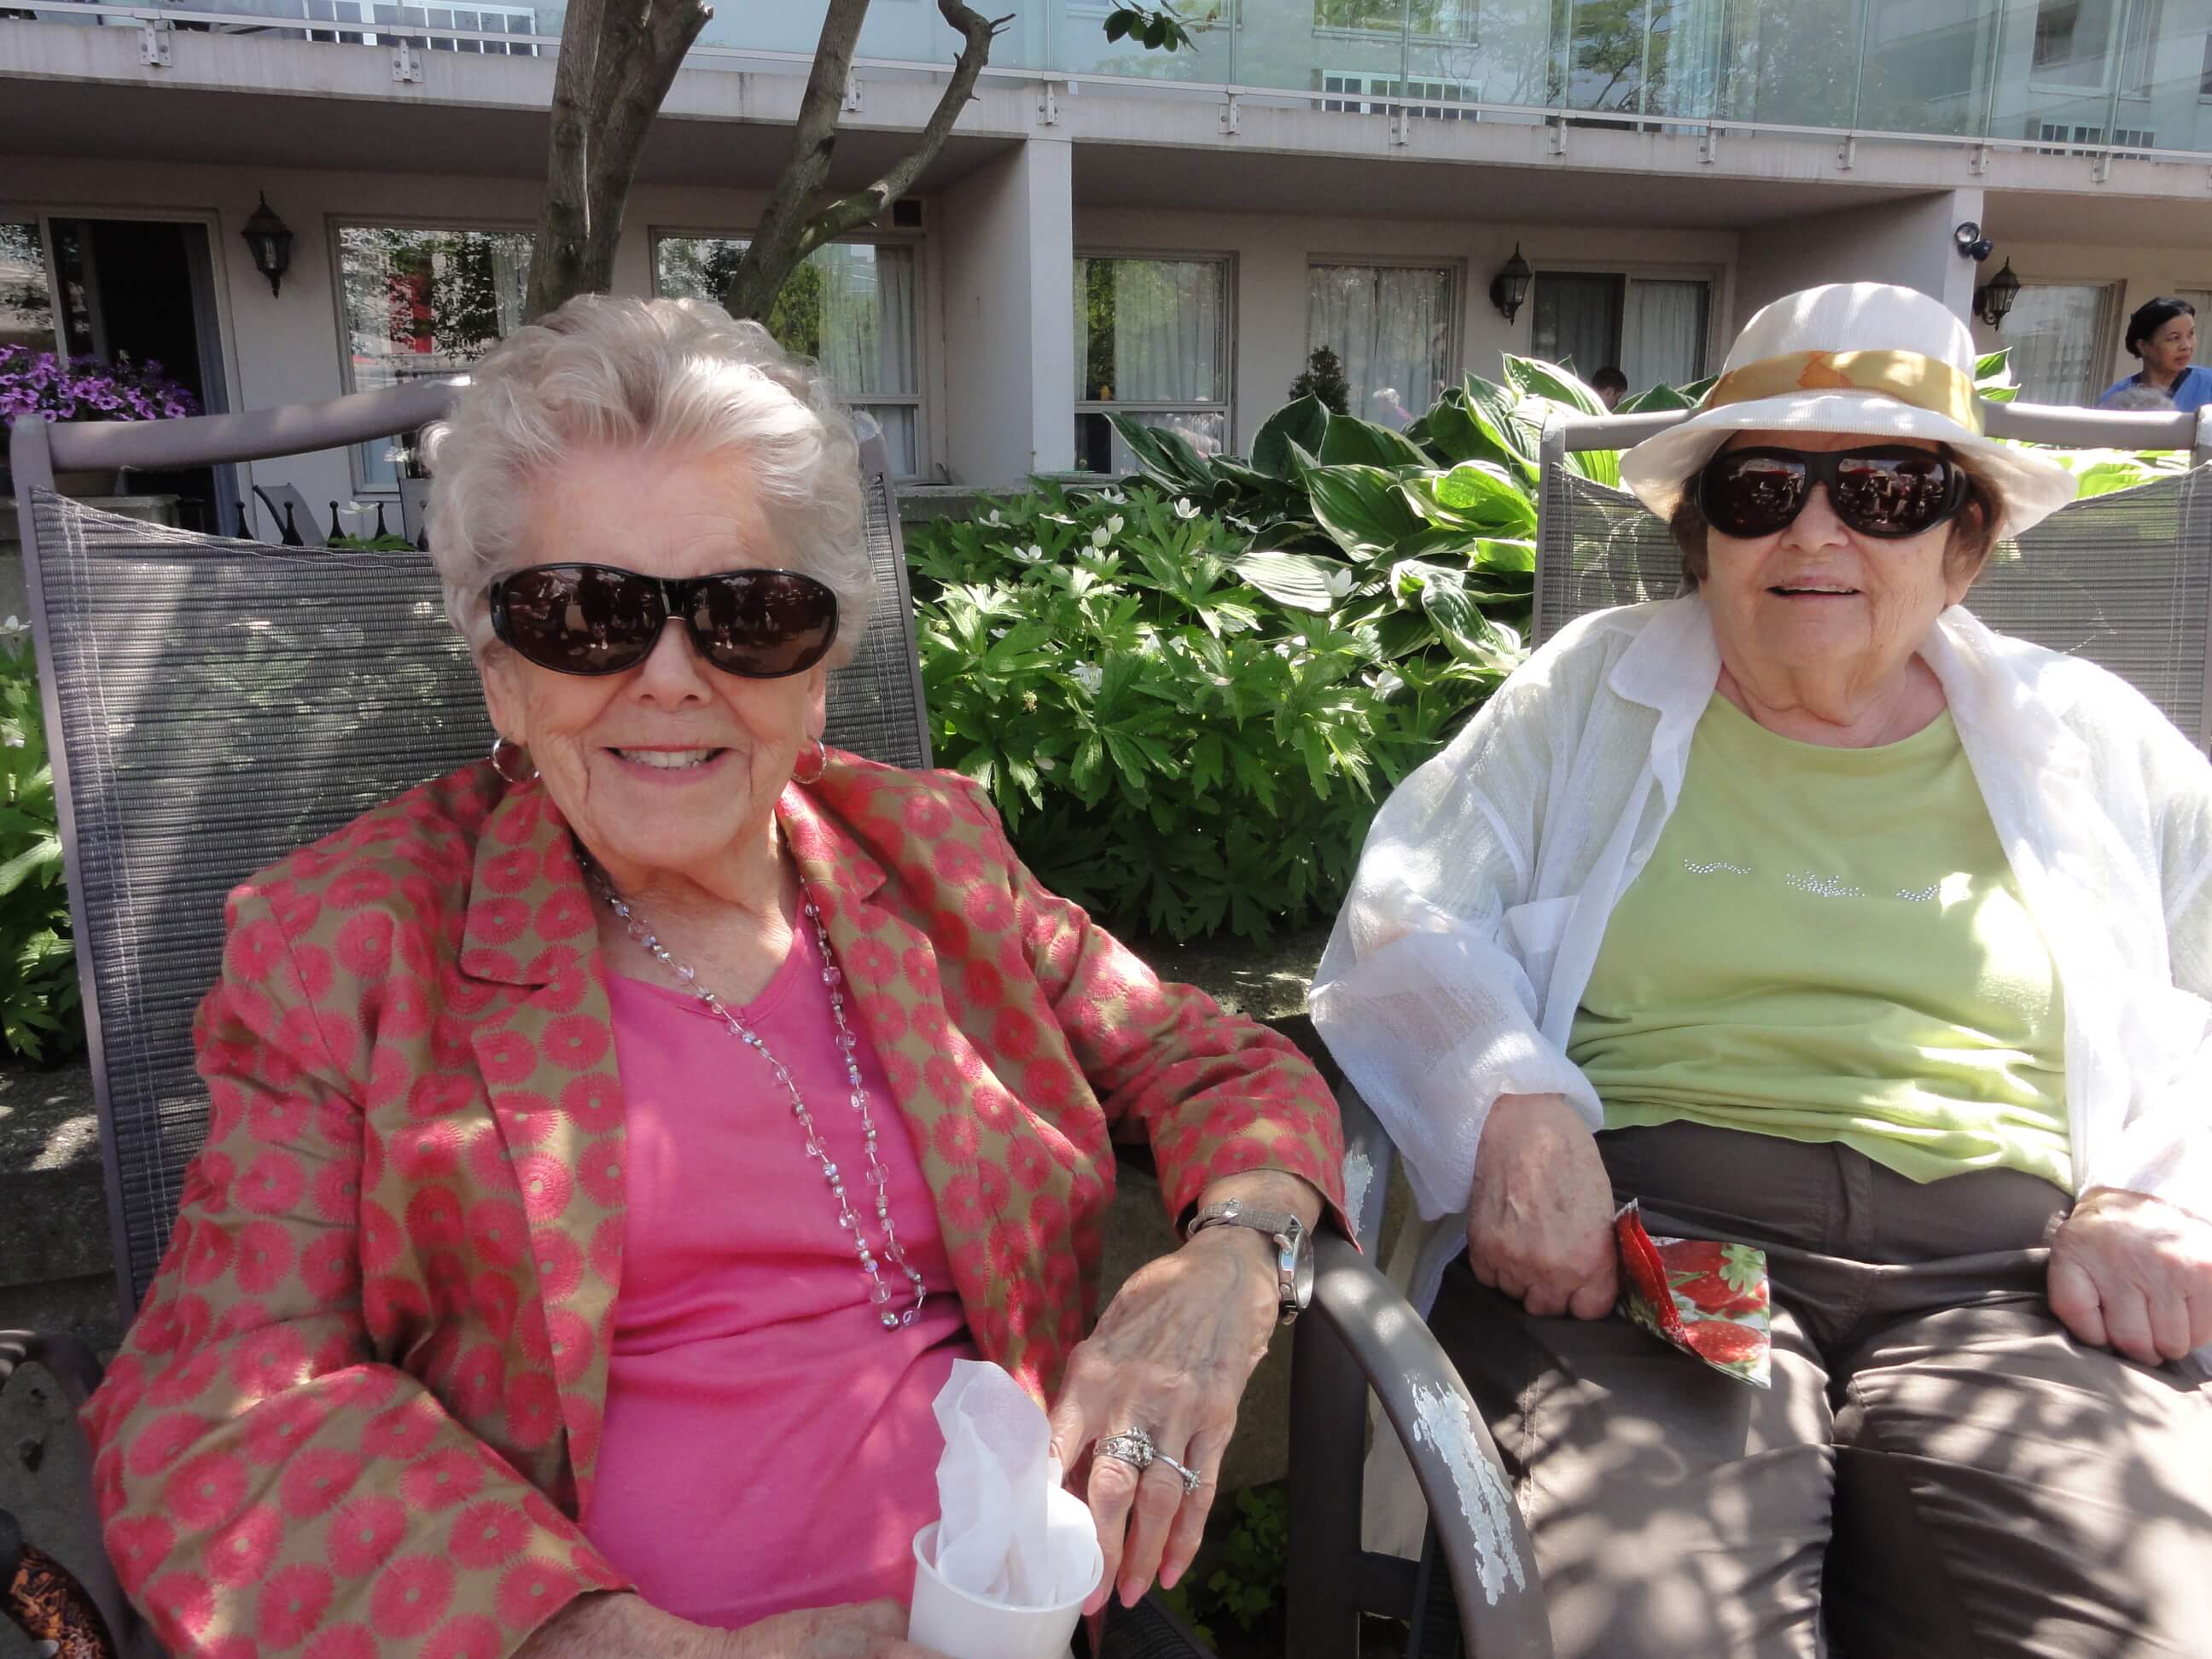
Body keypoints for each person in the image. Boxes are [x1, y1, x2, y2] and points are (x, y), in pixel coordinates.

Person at [83, 296, 1346, 1659]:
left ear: (817, 675)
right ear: (501, 674)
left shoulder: (931, 858)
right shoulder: (355, 945)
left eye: (747, 614)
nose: (672, 678)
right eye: (586, 615)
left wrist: (1233, 1260)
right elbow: (213, 1407)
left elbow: (1213, 1060)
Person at [1312, 282, 2212, 1658]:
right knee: (1659, 1628)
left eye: (1888, 490)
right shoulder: (1588, 693)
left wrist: (2158, 1191)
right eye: (1762, 489)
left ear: (1966, 541)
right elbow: (1409, 910)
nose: (1816, 531)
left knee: (2134, 1624)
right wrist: (1512, 1104)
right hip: (1651, 1256)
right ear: (1703, 533)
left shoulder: (2089, 736)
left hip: (2017, 1285)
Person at [2098, 295, 2210, 410]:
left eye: (2191, 334)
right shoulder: (2115, 398)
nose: (2186, 346)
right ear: (2143, 346)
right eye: (2174, 338)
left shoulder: (2208, 384)